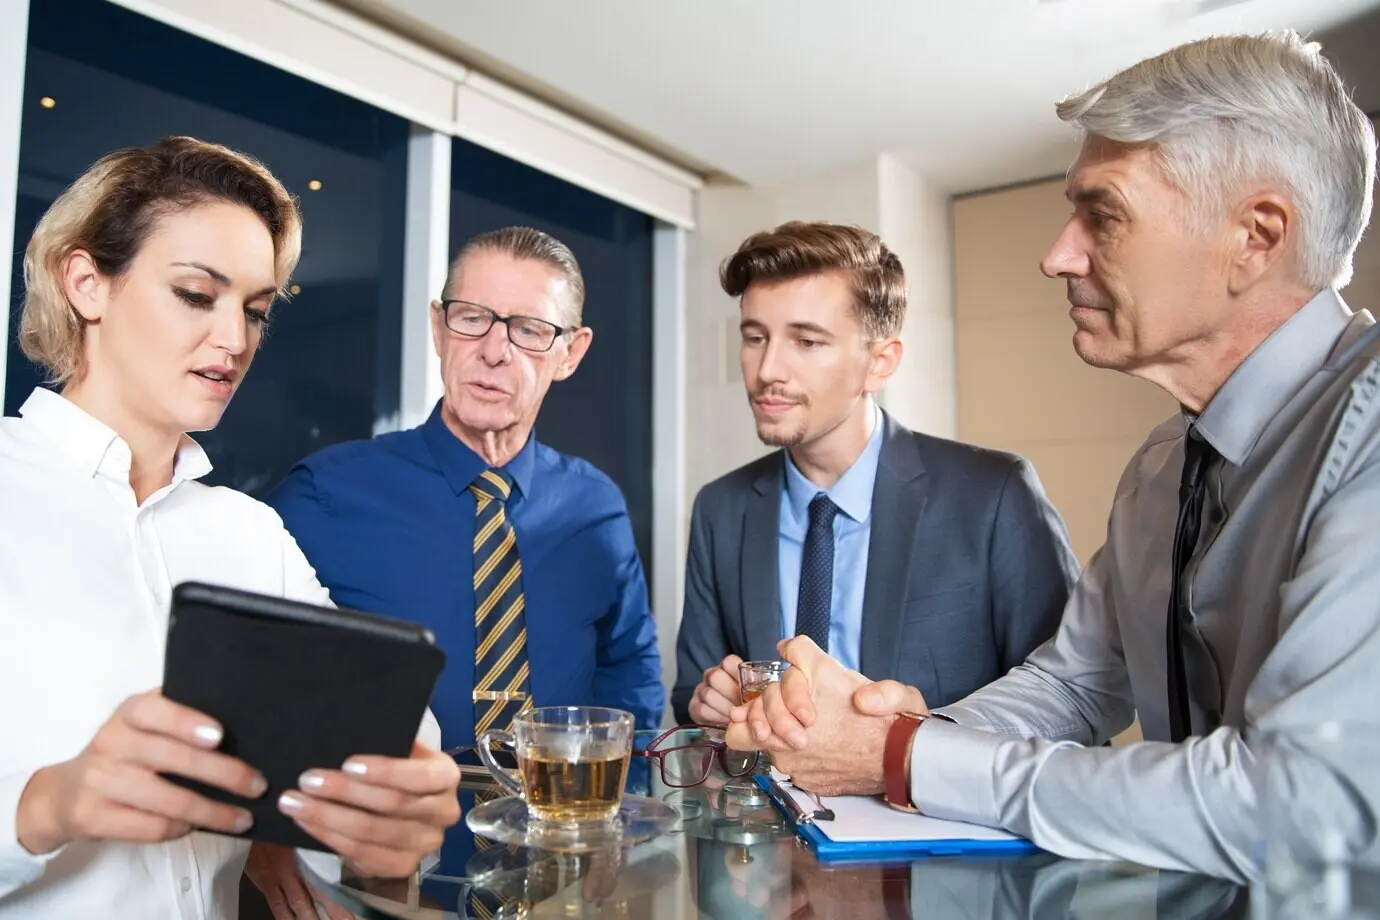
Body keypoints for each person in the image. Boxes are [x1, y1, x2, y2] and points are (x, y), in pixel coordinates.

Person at [729, 31, 1380, 882]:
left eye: (1102, 215)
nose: (1058, 255)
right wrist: (902, 735)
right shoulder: (1160, 470)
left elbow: (1298, 803)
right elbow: (1074, 686)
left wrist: (902, 756)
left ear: (1254, 236)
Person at [0, 137, 462, 919]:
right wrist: (47, 806)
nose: (236, 341)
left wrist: (387, 821)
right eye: (194, 293)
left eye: (253, 311)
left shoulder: (252, 535)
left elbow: (381, 721)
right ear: (85, 283)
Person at [267, 226, 665, 874]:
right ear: (438, 327)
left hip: (563, 865)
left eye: (530, 328)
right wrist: (271, 841)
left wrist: (621, 818)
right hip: (383, 870)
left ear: (570, 352)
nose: (494, 352)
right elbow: (259, 688)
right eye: (473, 318)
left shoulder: (597, 506)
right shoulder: (324, 495)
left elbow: (629, 670)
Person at [674, 221, 1077, 726]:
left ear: (880, 363)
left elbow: (1072, 705)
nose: (768, 369)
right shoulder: (722, 508)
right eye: (756, 337)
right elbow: (692, 697)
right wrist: (708, 703)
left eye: (806, 341)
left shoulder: (994, 495)